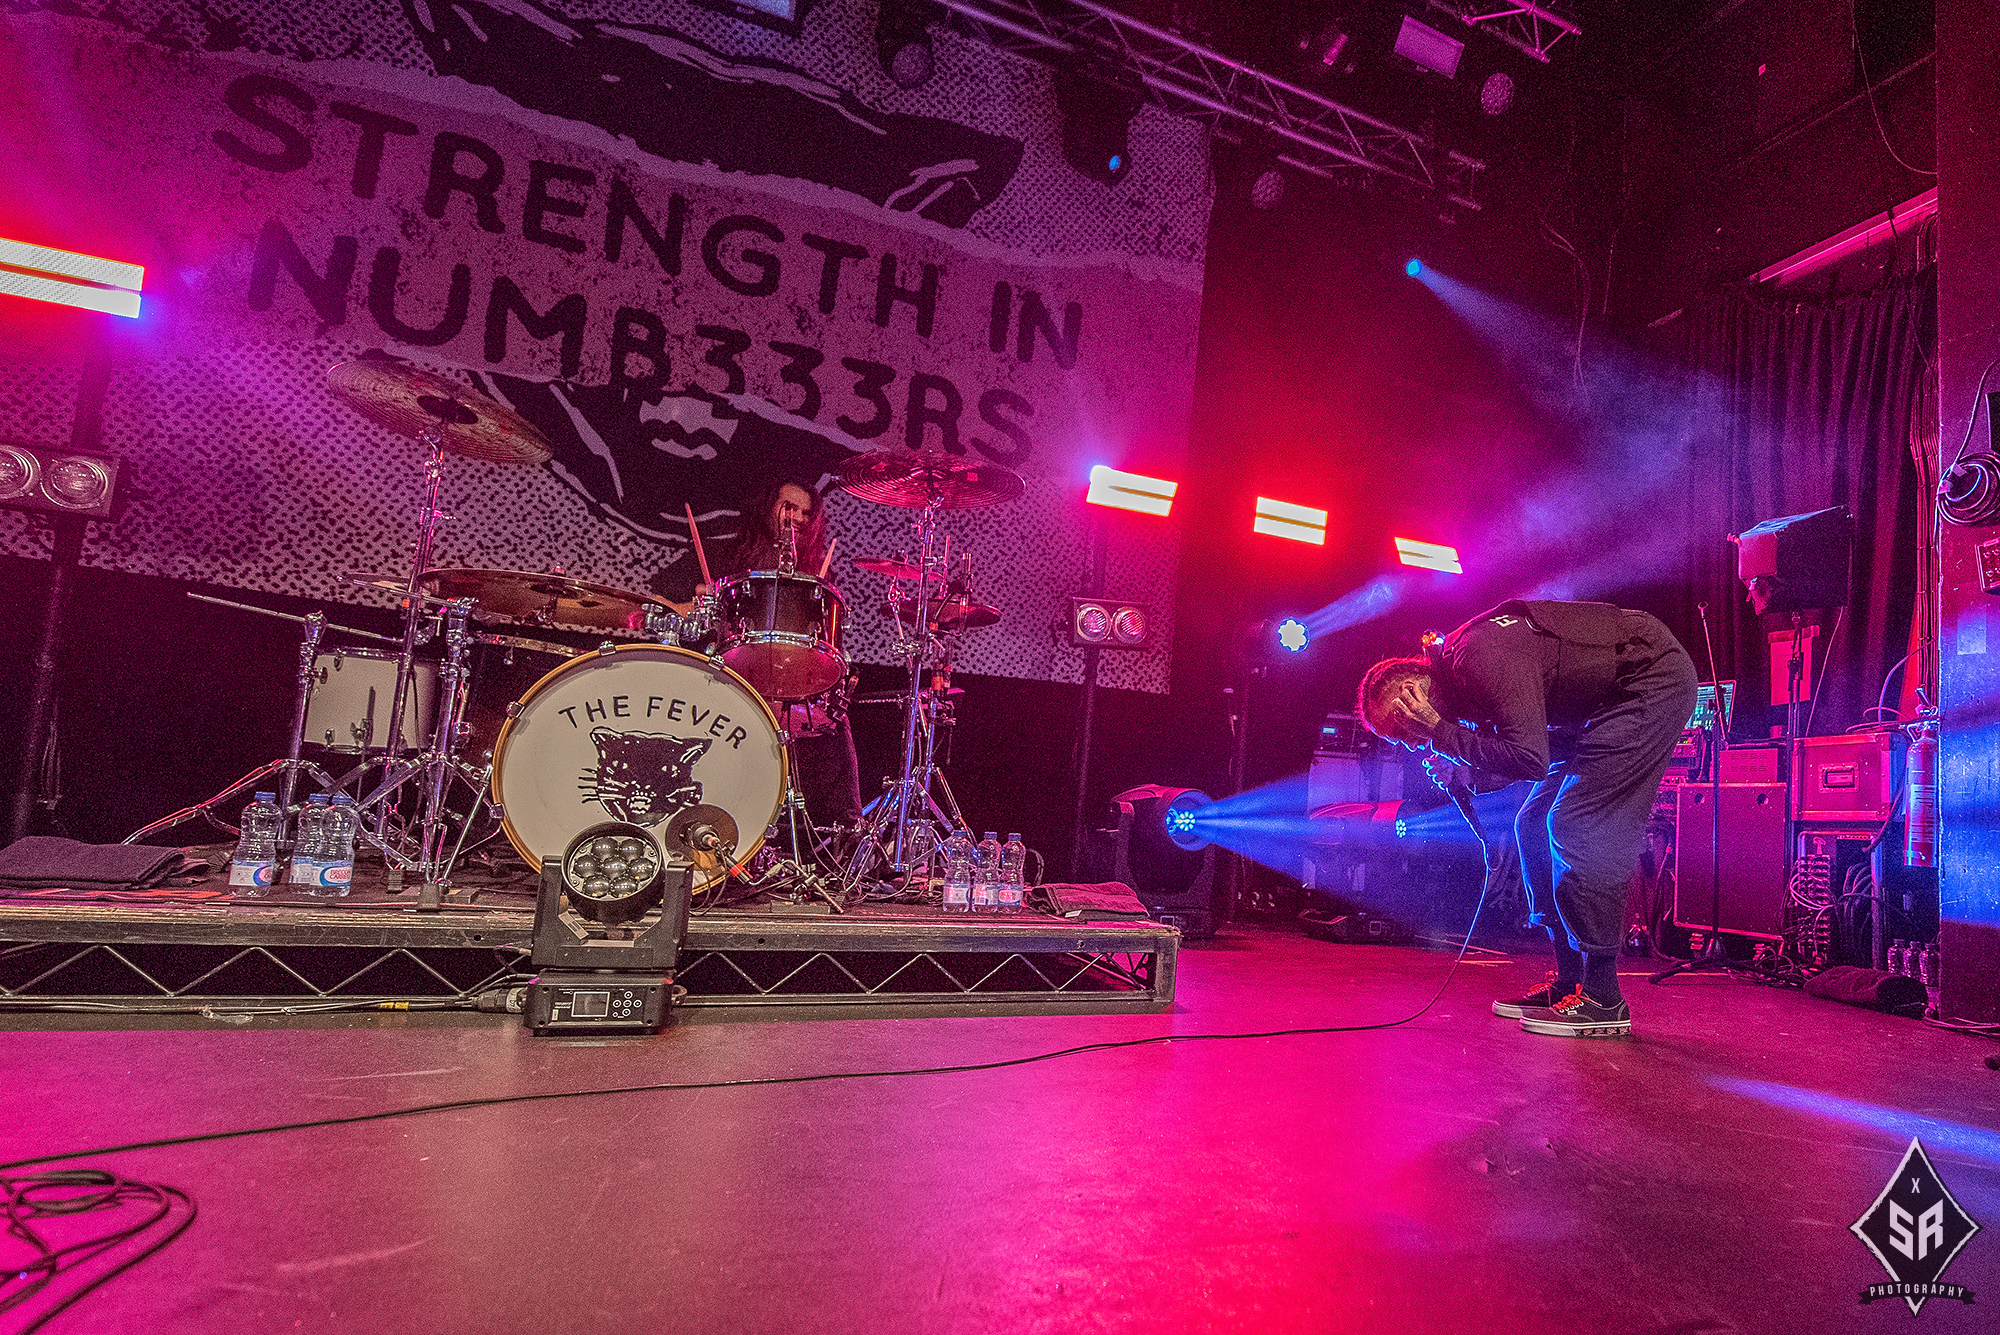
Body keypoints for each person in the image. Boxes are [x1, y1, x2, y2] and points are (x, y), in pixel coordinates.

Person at [1356, 599, 1697, 1038]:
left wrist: (1442, 734)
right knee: (1532, 825)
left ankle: (1604, 999)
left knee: (1575, 825)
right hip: (1595, 710)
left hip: (1648, 681)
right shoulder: (1462, 683)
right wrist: (1464, 769)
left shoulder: (1481, 657)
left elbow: (1530, 759)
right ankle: (1571, 982)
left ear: (1413, 691)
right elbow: (1517, 753)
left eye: (1401, 727)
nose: (1408, 742)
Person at [657, 477, 863, 829]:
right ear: (769, 509)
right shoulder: (725, 556)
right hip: (727, 673)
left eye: (806, 513)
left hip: (790, 680)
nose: (798, 518)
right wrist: (699, 605)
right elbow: (661, 603)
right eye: (789, 507)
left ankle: (844, 828)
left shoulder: (816, 572)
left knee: (834, 722)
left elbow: (826, 641)